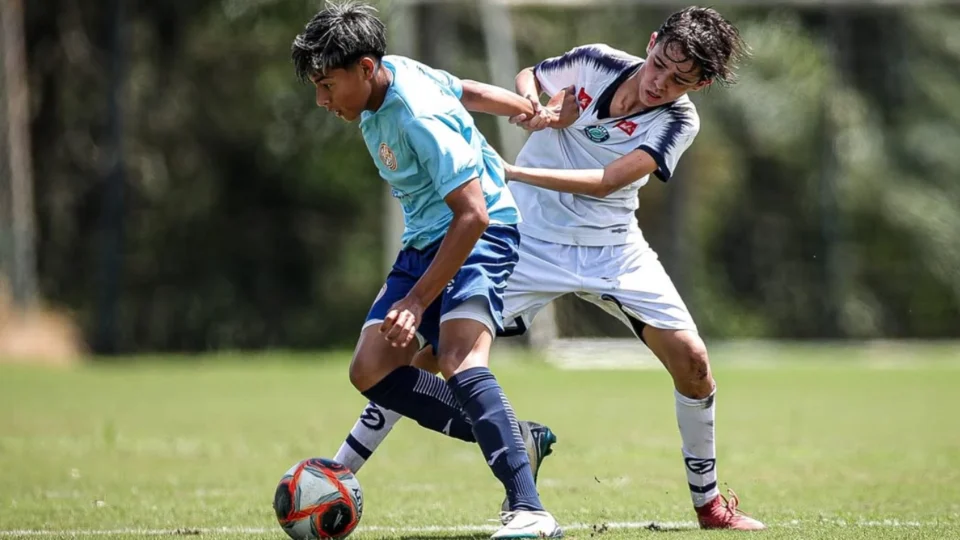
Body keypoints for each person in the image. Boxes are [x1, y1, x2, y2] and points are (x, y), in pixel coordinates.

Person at [330, 5, 765, 531]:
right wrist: (537, 107)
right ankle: (339, 471)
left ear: (700, 86)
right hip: (527, 239)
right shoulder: (596, 61)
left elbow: (607, 181)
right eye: (659, 66)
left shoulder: (679, 121)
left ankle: (710, 505)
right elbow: (530, 77)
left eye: (679, 81)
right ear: (652, 43)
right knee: (430, 358)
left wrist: (514, 171)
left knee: (694, 363)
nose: (660, 84)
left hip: (612, 249)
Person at [290, 2, 564, 538]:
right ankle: (517, 439)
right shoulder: (394, 75)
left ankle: (531, 511)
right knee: (370, 370)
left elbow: (473, 213)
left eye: (327, 85)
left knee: (459, 358)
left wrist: (417, 302)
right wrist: (522, 107)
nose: (322, 100)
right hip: (424, 240)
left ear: (365, 68)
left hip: (481, 232)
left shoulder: (416, 117)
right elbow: (464, 89)